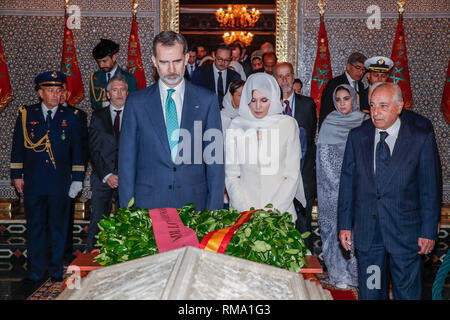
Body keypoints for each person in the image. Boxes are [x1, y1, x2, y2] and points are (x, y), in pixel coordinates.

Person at [338, 82, 440, 300]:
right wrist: (345, 224)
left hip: (406, 234)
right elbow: (348, 183)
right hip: (369, 234)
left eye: (383, 106)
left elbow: (429, 190)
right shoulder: (358, 137)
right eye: (373, 106)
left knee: (407, 293)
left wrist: (428, 230)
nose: (376, 112)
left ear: (399, 107)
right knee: (371, 290)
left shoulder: (420, 139)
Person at [118, 31, 224, 211]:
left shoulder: (207, 101)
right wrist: (128, 213)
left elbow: (215, 163)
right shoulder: (136, 102)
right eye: (164, 62)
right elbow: (127, 161)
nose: (171, 69)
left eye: (176, 61)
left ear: (186, 58)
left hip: (194, 206)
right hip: (147, 207)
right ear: (153, 61)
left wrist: (214, 213)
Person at [10, 71, 85, 290]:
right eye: (50, 90)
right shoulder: (26, 115)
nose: (54, 94)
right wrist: (16, 175)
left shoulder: (72, 116)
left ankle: (54, 270)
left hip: (60, 182)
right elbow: (17, 148)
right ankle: (35, 270)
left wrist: (78, 178)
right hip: (33, 181)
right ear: (40, 93)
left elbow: (79, 150)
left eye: (58, 90)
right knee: (35, 227)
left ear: (63, 93)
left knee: (58, 228)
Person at [225, 73, 306, 222]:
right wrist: (246, 211)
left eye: (264, 100)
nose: (257, 107)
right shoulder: (236, 125)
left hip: (280, 213)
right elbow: (231, 175)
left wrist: (271, 212)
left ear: (274, 99)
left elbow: (292, 175)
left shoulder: (288, 125)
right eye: (253, 100)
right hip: (244, 214)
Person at [316, 84, 368, 289]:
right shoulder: (329, 122)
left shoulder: (364, 122)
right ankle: (338, 275)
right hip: (332, 189)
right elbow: (323, 160)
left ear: (353, 99)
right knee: (334, 230)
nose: (342, 103)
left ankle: (357, 275)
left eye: (346, 99)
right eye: (338, 100)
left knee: (357, 230)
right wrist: (337, 184)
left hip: (358, 188)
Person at [274, 62, 317, 250]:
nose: (284, 80)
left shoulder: (307, 105)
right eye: (280, 76)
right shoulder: (269, 105)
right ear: (275, 79)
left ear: (293, 77)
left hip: (303, 173)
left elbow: (310, 136)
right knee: (279, 220)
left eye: (288, 76)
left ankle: (307, 266)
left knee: (303, 222)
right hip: (276, 175)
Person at [87, 73, 129, 253]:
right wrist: (107, 175)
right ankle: (92, 260)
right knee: (98, 221)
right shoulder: (98, 116)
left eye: (122, 90)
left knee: (126, 223)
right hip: (102, 179)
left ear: (127, 93)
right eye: (115, 90)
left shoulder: (136, 115)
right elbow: (93, 149)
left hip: (128, 180)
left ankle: (123, 259)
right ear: (107, 93)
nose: (119, 93)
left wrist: (124, 175)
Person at [59, 81, 88, 265]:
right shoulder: (37, 115)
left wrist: (77, 174)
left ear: (68, 93)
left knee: (65, 216)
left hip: (68, 175)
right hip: (46, 176)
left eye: (62, 91)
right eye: (54, 91)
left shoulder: (77, 115)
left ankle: (66, 251)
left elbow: (82, 147)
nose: (59, 95)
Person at [318, 52, 367, 129]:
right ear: (348, 66)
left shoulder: (361, 85)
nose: (361, 72)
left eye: (363, 70)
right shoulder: (334, 84)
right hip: (338, 128)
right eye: (358, 68)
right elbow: (326, 111)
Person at [89, 39, 137, 110]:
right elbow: (94, 103)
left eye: (104, 61)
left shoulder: (128, 78)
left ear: (114, 57)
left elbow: (133, 102)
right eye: (98, 62)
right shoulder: (95, 77)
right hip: (102, 118)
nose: (101, 65)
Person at [192, 43, 241, 108]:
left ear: (231, 59)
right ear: (214, 56)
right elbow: (193, 96)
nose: (223, 63)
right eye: (220, 59)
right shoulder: (200, 73)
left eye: (226, 60)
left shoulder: (235, 76)